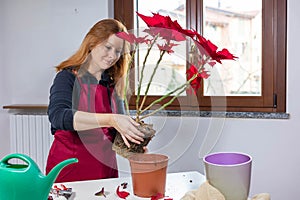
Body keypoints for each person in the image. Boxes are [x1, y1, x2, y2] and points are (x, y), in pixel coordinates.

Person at [46, 19, 144, 183]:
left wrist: (135, 147)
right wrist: (111, 119)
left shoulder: (113, 84)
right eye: (108, 47)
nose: (112, 55)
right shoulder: (68, 77)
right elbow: (59, 116)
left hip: (104, 171)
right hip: (68, 170)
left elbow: (116, 134)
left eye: (118, 51)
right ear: (92, 43)